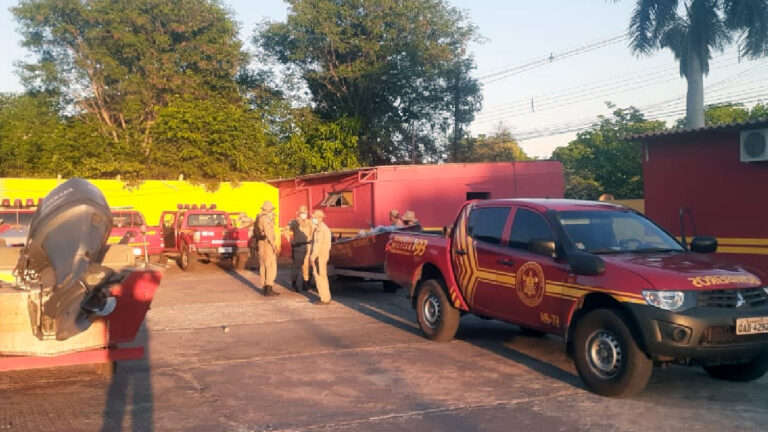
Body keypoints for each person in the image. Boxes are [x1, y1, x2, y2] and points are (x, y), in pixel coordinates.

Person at [285, 205, 313, 292]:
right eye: (302, 213)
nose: (303, 214)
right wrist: (290, 240)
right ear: (298, 213)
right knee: (296, 266)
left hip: (308, 246)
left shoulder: (310, 222)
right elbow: (285, 230)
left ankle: (305, 283)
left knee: (306, 265)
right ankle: (294, 283)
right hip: (298, 246)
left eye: (305, 213)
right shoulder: (294, 222)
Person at [256, 200, 279, 297]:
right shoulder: (265, 218)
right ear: (269, 209)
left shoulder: (259, 217)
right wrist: (274, 245)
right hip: (267, 244)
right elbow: (269, 232)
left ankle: (265, 287)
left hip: (261, 244)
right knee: (270, 265)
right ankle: (269, 287)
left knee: (263, 265)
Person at [310, 210, 332, 305]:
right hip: (324, 254)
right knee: (323, 275)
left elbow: (317, 245)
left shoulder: (320, 229)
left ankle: (324, 298)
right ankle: (326, 297)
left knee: (320, 276)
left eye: (314, 218)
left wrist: (312, 257)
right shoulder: (324, 228)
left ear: (319, 218)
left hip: (319, 256)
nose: (313, 219)